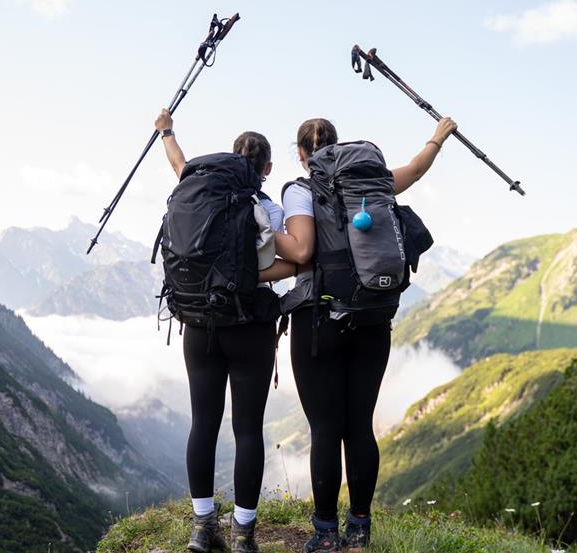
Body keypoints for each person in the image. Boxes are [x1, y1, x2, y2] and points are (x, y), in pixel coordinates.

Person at [273, 116, 457, 552]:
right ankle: (360, 528)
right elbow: (415, 167)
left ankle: (324, 533)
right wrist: (438, 136)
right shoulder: (373, 184)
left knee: (324, 429)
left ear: (301, 154)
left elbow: (303, 251)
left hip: (319, 322)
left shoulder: (300, 191)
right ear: (338, 149)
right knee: (359, 426)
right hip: (374, 320)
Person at [154, 109, 297, 553]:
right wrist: (252, 275)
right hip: (248, 327)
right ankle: (243, 537)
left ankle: (201, 530)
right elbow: (299, 255)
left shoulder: (196, 190)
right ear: (266, 169)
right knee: (248, 429)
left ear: (230, 159)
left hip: (198, 325)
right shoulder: (266, 208)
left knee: (203, 424)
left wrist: (167, 132)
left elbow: (179, 163)